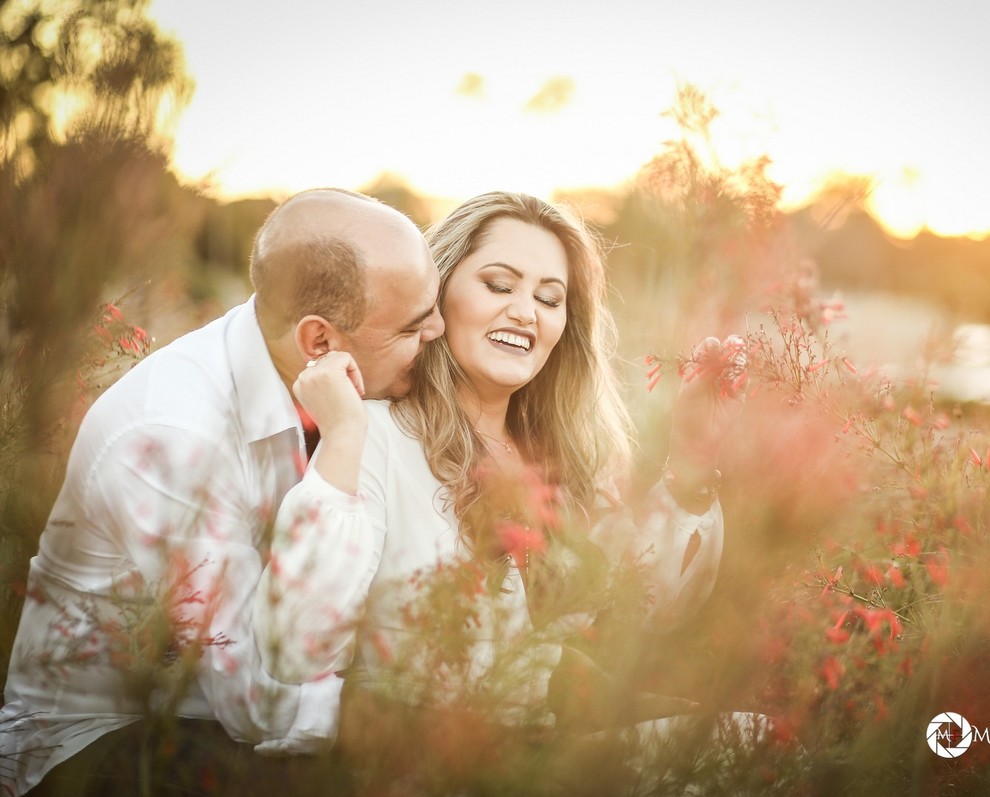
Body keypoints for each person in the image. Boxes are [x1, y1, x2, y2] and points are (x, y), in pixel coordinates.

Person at [0, 188, 444, 797]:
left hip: (208, 720)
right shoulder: (173, 436)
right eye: (416, 324)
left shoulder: (320, 381)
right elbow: (257, 700)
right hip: (90, 748)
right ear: (320, 342)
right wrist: (436, 731)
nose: (439, 331)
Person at [256, 192, 742, 746]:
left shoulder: (567, 456)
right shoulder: (374, 437)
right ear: (436, 297)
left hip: (539, 750)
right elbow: (293, 644)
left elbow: (647, 614)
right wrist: (342, 437)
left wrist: (695, 458)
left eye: (550, 297)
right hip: (418, 761)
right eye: (499, 285)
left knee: (751, 737)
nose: (525, 311)